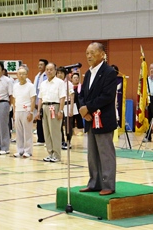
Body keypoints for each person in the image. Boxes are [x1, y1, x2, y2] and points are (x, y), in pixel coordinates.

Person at [78, 42, 117, 196]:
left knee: (105, 153)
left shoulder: (109, 72)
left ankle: (108, 184)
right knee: (92, 154)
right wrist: (83, 109)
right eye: (87, 53)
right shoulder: (88, 73)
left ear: (102, 54)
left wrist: (89, 108)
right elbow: (82, 94)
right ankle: (94, 182)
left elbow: (107, 96)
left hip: (103, 119)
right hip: (89, 119)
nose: (89, 56)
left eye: (92, 52)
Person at [36, 63, 66, 162]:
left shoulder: (59, 82)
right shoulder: (43, 83)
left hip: (55, 107)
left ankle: (57, 154)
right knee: (47, 132)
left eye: (51, 69)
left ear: (55, 70)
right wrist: (38, 111)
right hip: (45, 107)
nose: (49, 71)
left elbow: (62, 97)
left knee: (55, 132)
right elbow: (40, 98)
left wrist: (61, 110)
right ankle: (50, 153)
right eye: (47, 69)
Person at [12, 67, 36, 158]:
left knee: (27, 132)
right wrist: (14, 112)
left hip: (27, 111)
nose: (21, 76)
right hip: (18, 110)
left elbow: (33, 99)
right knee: (18, 132)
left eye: (23, 74)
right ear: (17, 75)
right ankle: (20, 150)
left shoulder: (30, 86)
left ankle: (28, 151)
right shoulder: (15, 86)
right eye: (19, 74)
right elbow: (14, 99)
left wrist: (31, 112)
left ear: (26, 75)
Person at [56, 66, 74, 150]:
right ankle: (61, 140)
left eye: (61, 73)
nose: (59, 75)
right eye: (58, 73)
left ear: (65, 74)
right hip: (59, 105)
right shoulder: (55, 83)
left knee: (68, 125)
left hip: (68, 105)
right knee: (58, 125)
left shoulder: (68, 84)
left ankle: (68, 141)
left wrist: (71, 109)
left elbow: (72, 96)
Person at [33, 59, 48, 146]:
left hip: (44, 101)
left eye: (41, 65)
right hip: (37, 101)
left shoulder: (46, 76)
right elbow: (35, 90)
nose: (39, 66)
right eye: (39, 65)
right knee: (39, 120)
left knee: (45, 121)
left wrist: (40, 102)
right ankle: (40, 139)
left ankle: (46, 139)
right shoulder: (37, 76)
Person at [71, 71, 84, 135]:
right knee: (71, 119)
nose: (76, 79)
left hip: (79, 105)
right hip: (71, 105)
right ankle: (72, 131)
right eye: (74, 77)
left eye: (77, 78)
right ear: (71, 79)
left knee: (79, 118)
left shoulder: (81, 87)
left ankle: (80, 131)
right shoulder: (70, 87)